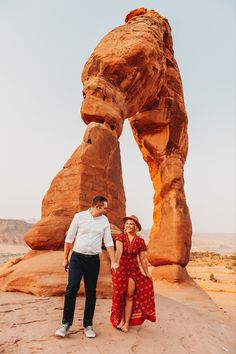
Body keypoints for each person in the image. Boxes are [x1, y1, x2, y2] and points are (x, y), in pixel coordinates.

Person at [55, 195, 117, 338]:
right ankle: (66, 324)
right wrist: (65, 258)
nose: (106, 210)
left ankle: (88, 325)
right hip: (77, 257)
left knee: (91, 291)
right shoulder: (79, 217)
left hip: (93, 260)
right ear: (97, 206)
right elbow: (69, 238)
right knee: (72, 287)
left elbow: (108, 242)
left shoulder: (104, 221)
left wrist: (113, 261)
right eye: (105, 208)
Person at [110, 215, 156, 332]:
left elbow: (143, 259)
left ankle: (126, 323)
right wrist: (115, 263)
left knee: (129, 296)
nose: (128, 226)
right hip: (121, 269)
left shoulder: (140, 241)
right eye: (127, 224)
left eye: (131, 224)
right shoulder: (121, 237)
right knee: (119, 295)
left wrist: (147, 273)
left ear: (135, 227)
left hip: (133, 270)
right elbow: (119, 251)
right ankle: (119, 319)